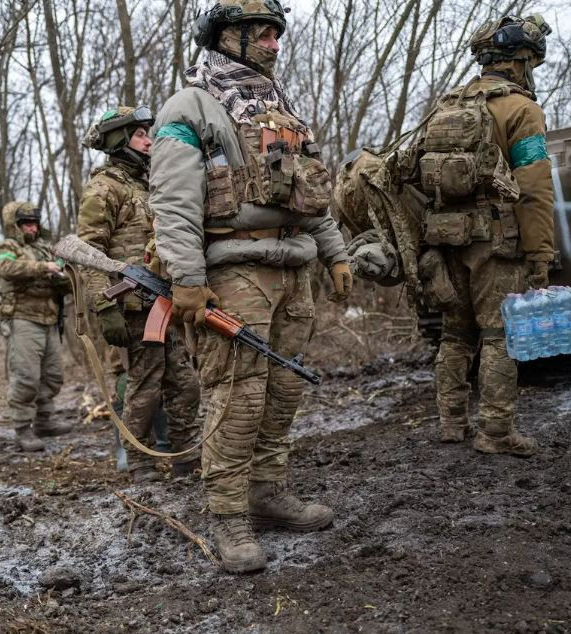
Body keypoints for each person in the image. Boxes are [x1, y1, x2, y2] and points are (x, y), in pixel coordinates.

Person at [148, 0, 351, 573]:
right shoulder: (191, 107)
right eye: (261, 33)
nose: (273, 43)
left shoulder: (278, 110)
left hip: (293, 269)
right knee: (238, 396)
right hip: (233, 273)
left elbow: (310, 194)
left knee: (283, 392)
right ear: (225, 37)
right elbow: (173, 203)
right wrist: (188, 280)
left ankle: (265, 493)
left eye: (276, 33)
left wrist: (335, 253)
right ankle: (229, 515)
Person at [424, 15, 554, 456]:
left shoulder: (446, 106)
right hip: (496, 242)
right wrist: (540, 253)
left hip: (446, 237)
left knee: (455, 334)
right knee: (500, 335)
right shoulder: (521, 109)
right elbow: (534, 188)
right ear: (519, 62)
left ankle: (451, 423)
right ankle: (495, 433)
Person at [78, 106, 201, 483]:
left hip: (165, 301)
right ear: (119, 141)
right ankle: (140, 461)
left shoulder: (148, 184)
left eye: (149, 133)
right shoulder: (104, 188)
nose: (149, 141)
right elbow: (87, 252)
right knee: (144, 387)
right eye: (140, 135)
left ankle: (185, 456)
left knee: (185, 384)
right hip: (133, 306)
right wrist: (104, 306)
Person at [0, 201, 73, 451]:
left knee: (53, 375)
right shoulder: (7, 247)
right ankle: (23, 428)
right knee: (26, 376)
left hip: (50, 319)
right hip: (22, 319)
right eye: (26, 223)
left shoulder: (45, 249)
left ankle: (44, 420)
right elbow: (6, 267)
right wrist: (43, 268)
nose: (32, 228)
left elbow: (65, 280)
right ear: (15, 225)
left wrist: (64, 277)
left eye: (34, 223)